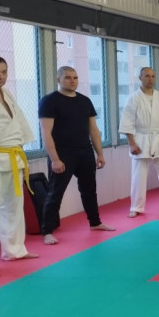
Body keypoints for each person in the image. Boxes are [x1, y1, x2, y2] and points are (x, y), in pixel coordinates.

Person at [38, 66, 115, 244]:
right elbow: (45, 132)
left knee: (89, 189)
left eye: (75, 77)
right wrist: (55, 159)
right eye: (67, 77)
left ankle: (95, 222)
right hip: (62, 153)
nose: (72, 81)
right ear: (58, 79)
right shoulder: (49, 101)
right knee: (55, 192)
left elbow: (93, 130)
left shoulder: (85, 101)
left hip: (84, 151)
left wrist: (100, 153)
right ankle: (47, 231)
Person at [119, 67, 159, 218]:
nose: (150, 79)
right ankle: (136, 207)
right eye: (147, 76)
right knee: (138, 176)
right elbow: (127, 122)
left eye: (153, 76)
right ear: (140, 78)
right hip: (141, 138)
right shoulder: (134, 98)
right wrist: (132, 143)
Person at [0, 56, 38, 261]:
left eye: (4, 72)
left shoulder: (7, 93)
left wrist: (22, 150)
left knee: (13, 207)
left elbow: (19, 123)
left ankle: (14, 250)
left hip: (14, 158)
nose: (1, 76)